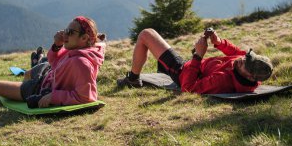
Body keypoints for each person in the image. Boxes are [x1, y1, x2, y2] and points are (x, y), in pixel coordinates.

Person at [0, 16, 106, 108]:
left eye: (70, 32)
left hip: (41, 88)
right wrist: (57, 46)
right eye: (66, 30)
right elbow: (54, 62)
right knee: (27, 73)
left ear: (84, 38)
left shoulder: (82, 63)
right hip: (49, 74)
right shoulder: (77, 49)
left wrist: (54, 97)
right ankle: (24, 88)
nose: (65, 34)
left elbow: (86, 97)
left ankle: (25, 92)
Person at [117, 28, 273, 94]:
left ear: (250, 77)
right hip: (193, 66)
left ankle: (133, 80)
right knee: (147, 35)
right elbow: (235, 52)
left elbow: (188, 87)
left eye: (246, 64)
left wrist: (198, 56)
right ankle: (134, 78)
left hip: (182, 72)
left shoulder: (222, 81)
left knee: (146, 34)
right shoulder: (243, 64)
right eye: (246, 58)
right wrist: (218, 41)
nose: (241, 60)